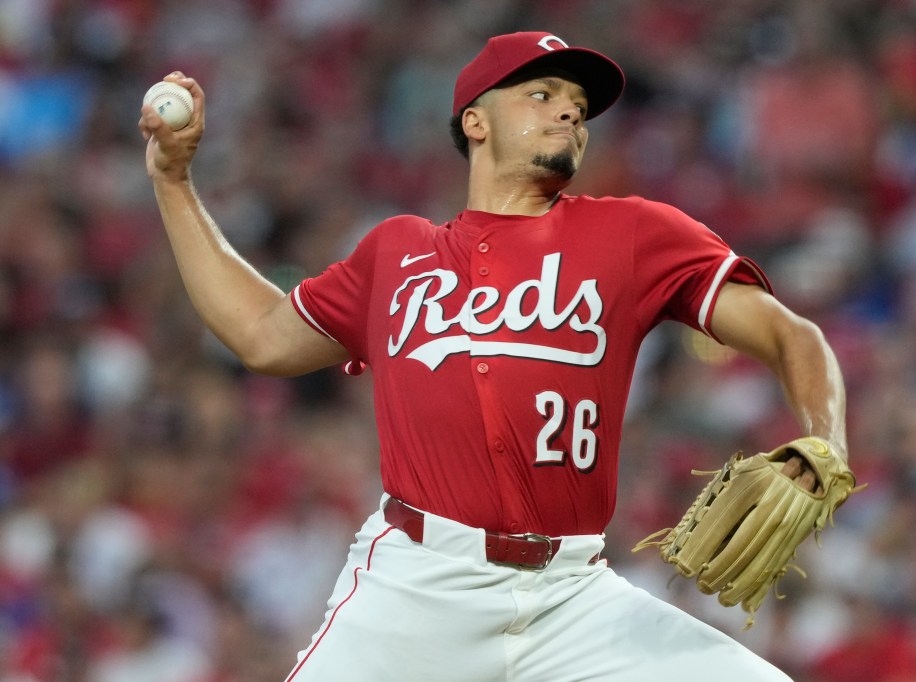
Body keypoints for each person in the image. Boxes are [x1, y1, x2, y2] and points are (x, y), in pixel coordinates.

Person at [139, 31, 847, 682]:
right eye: (541, 95)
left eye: (577, 105)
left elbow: (793, 337)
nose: (569, 113)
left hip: (572, 596)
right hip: (416, 588)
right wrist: (174, 184)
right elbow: (261, 334)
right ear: (475, 121)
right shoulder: (399, 253)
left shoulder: (632, 233)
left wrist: (825, 442)